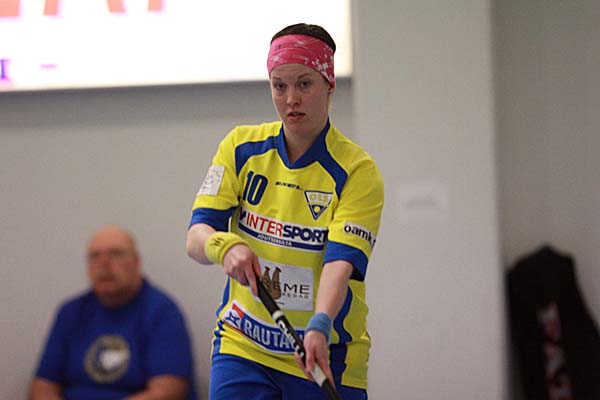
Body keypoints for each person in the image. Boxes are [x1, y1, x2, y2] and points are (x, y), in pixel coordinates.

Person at [186, 23, 384, 400]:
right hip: (243, 346)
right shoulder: (240, 148)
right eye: (279, 85)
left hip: (325, 351)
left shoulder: (357, 171)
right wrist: (224, 247)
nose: (291, 98)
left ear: (329, 84)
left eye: (304, 84)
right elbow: (196, 237)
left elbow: (339, 263)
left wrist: (320, 324)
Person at [30, 225, 197, 400]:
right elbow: (42, 387)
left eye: (116, 254)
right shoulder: (70, 313)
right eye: (95, 256)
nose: (103, 264)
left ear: (136, 261)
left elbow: (168, 393)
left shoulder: (162, 313)